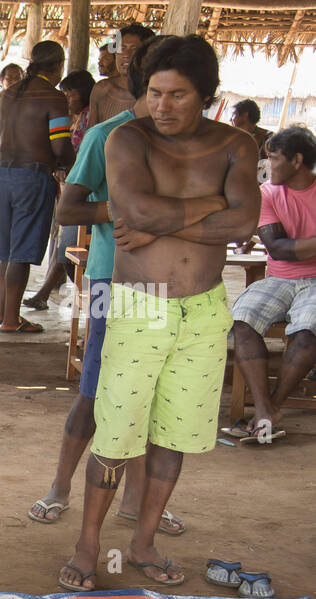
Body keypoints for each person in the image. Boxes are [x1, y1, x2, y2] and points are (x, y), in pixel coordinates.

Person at [58, 36, 259, 592]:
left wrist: (167, 222)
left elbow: (244, 225)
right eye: (155, 93)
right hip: (136, 300)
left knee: (175, 435)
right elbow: (135, 208)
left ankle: (143, 542)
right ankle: (87, 545)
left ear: (207, 96)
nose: (163, 106)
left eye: (177, 95)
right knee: (115, 433)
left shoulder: (235, 144)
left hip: (204, 307)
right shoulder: (127, 138)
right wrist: (215, 205)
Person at [29, 37, 185, 535]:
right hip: (110, 279)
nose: (171, 101)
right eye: (164, 87)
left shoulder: (187, 141)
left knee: (155, 396)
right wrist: (130, 213)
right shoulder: (106, 136)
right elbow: (69, 210)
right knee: (96, 390)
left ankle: (136, 501)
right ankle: (58, 486)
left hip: (171, 284)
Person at [229, 125, 316, 439]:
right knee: (242, 322)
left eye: (273, 159)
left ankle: (271, 406)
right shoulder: (266, 194)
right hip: (279, 277)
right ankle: (265, 407)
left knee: (308, 332)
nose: (267, 167)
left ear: (297, 160)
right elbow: (278, 247)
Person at [0, 41, 74, 334]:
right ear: (58, 66)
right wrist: (70, 165)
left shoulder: (8, 94)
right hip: (33, 175)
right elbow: (60, 144)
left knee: (6, 249)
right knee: (21, 252)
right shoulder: (53, 97)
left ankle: (3, 312)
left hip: (3, 175)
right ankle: (12, 320)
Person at [23, 68, 96, 311]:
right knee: (64, 246)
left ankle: (58, 294)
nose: (65, 99)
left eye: (69, 93)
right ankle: (57, 294)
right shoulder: (75, 118)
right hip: (67, 187)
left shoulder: (88, 119)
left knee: (67, 246)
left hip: (81, 192)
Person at [0, 63, 24, 255]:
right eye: (10, 78)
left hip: (18, 161)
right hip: (0, 161)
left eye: (18, 77)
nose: (14, 81)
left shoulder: (24, 101)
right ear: (2, 81)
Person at [89, 23, 155, 125]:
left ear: (147, 53)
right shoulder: (101, 89)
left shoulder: (155, 93)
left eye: (134, 49)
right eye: (122, 48)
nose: (126, 55)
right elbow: (91, 134)